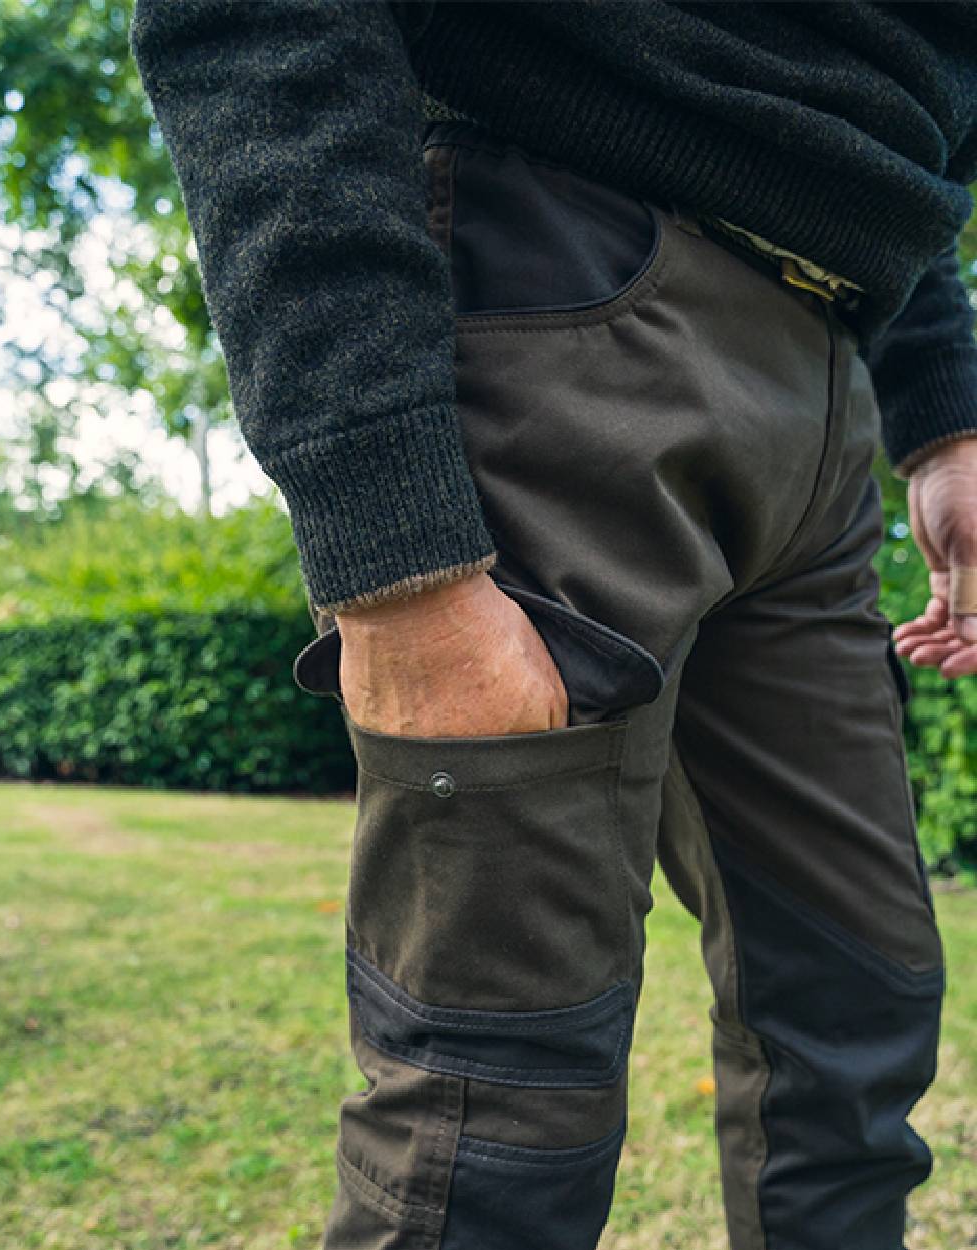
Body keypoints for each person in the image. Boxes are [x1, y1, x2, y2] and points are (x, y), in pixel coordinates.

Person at [130, 3, 977, 1247]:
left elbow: (894, 122)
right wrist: (396, 547)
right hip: (564, 295)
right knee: (495, 1099)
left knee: (860, 1017)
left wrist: (942, 413)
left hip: (832, 387)